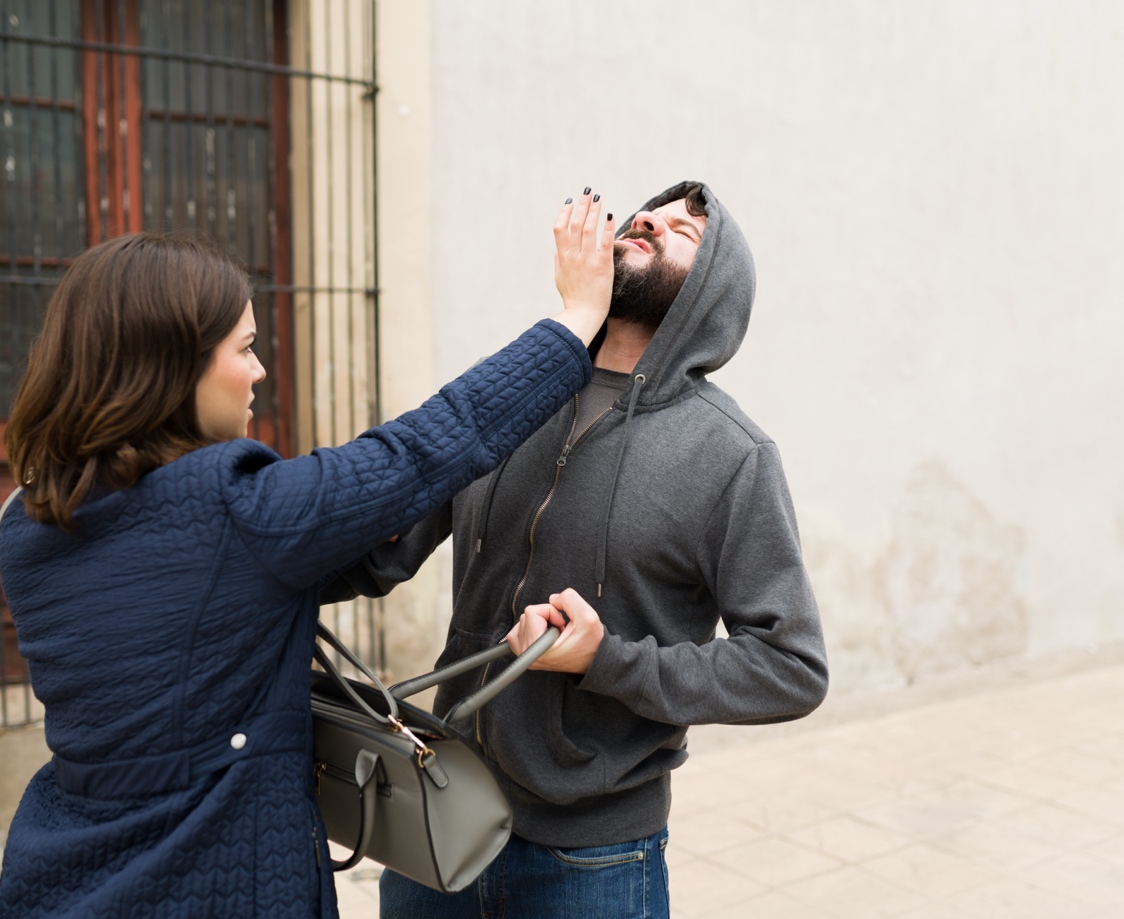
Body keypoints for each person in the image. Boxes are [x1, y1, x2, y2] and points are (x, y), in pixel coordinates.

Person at [0, 189, 615, 919]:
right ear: (173, 367)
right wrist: (578, 318)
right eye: (244, 347)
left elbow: (237, 589)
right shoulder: (235, 513)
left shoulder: (25, 521)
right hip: (212, 883)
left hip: (62, 875)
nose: (258, 371)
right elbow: (422, 447)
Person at [327, 181, 829, 918]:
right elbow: (384, 550)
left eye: (686, 230)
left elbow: (792, 667)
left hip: (594, 859)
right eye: (650, 211)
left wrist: (608, 661)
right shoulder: (515, 394)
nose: (649, 218)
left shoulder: (731, 455)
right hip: (439, 813)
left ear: (711, 295)